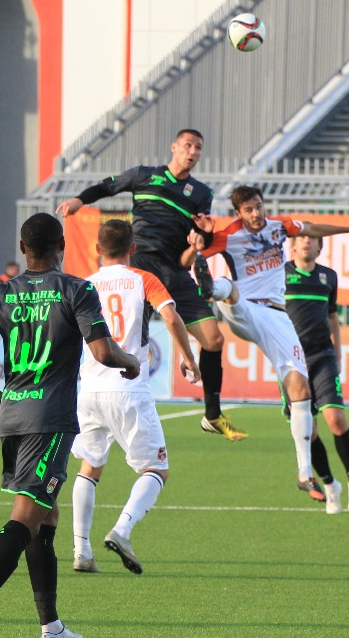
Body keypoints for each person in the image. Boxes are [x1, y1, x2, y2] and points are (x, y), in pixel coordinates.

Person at [0, 212, 139, 638]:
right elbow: (103, 351)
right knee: (25, 517)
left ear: (22, 246)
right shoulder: (76, 289)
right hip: (49, 419)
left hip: (12, 415)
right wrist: (130, 362)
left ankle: (52, 628)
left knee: (45, 519)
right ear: (62, 246)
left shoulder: (1, 292)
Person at [57, 129, 246, 442]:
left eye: (198, 148)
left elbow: (197, 242)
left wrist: (203, 236)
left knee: (213, 340)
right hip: (141, 264)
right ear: (174, 147)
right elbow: (109, 185)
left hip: (175, 270)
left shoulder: (201, 193)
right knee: (131, 338)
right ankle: (110, 401)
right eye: (188, 145)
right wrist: (80, 199)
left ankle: (212, 415)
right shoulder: (144, 176)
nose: (193, 152)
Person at [192, 186, 349, 502]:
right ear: (238, 213)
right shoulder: (228, 235)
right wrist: (200, 240)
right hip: (245, 309)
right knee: (229, 289)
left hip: (278, 317)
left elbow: (314, 228)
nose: (256, 214)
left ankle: (305, 473)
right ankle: (211, 288)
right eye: (249, 210)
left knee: (300, 389)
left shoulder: (280, 227)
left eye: (259, 206)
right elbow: (191, 255)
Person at [68, 220, 200, 575]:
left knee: (89, 466)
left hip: (89, 390)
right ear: (132, 248)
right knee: (156, 469)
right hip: (128, 387)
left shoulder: (84, 284)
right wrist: (189, 358)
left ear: (98, 249)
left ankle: (82, 551)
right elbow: (171, 317)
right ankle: (122, 531)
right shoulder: (143, 279)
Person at [283, 235, 349, 515]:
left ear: (320, 247)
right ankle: (330, 486)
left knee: (336, 419)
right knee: (310, 430)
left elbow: (332, 317)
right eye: (301, 238)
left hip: (323, 357)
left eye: (313, 239)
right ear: (293, 246)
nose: (307, 242)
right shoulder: (280, 275)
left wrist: (338, 354)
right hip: (292, 361)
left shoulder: (328, 277)